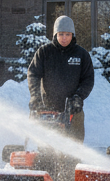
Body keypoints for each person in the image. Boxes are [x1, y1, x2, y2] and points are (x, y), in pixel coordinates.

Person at [27, 15, 94, 143]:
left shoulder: (81, 54)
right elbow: (33, 74)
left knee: (74, 147)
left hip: (73, 109)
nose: (64, 38)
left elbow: (88, 79)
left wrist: (78, 97)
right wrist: (35, 96)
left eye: (67, 34)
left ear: (72, 35)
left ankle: (73, 162)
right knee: (47, 148)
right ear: (55, 34)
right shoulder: (44, 52)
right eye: (61, 34)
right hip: (47, 109)